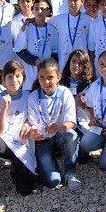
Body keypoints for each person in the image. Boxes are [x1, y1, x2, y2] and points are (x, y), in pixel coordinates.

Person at [0, 60, 36, 198]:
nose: (14, 80)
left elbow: (34, 119)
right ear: (3, 79)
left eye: (18, 76)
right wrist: (4, 108)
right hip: (4, 144)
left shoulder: (29, 97)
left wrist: (28, 123)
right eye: (10, 77)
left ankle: (15, 171)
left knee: (25, 190)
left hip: (22, 145)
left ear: (23, 78)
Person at [28, 58, 82, 191]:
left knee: (72, 136)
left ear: (58, 77)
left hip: (59, 134)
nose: (45, 82)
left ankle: (70, 171)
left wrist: (60, 127)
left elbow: (71, 121)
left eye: (50, 77)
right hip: (43, 140)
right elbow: (32, 123)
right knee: (54, 181)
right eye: (41, 77)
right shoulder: (33, 97)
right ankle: (47, 164)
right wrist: (34, 132)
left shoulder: (65, 92)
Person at [14, 0, 58, 90]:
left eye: (42, 9)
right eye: (36, 9)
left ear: (48, 11)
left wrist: (50, 64)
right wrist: (33, 60)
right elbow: (19, 50)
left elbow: (55, 51)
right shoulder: (27, 29)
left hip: (47, 74)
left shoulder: (52, 29)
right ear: (32, 11)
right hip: (31, 74)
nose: (39, 11)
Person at [48, 0, 91, 72]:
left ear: (82, 1)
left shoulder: (88, 20)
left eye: (75, 0)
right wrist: (31, 19)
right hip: (64, 64)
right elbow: (42, 21)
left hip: (82, 63)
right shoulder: (59, 19)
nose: (72, 3)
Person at [59, 49, 93, 137]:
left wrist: (83, 105)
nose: (76, 65)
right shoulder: (60, 84)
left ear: (85, 66)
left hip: (82, 125)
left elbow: (96, 110)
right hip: (63, 124)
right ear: (69, 62)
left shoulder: (90, 86)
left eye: (80, 63)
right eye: (73, 61)